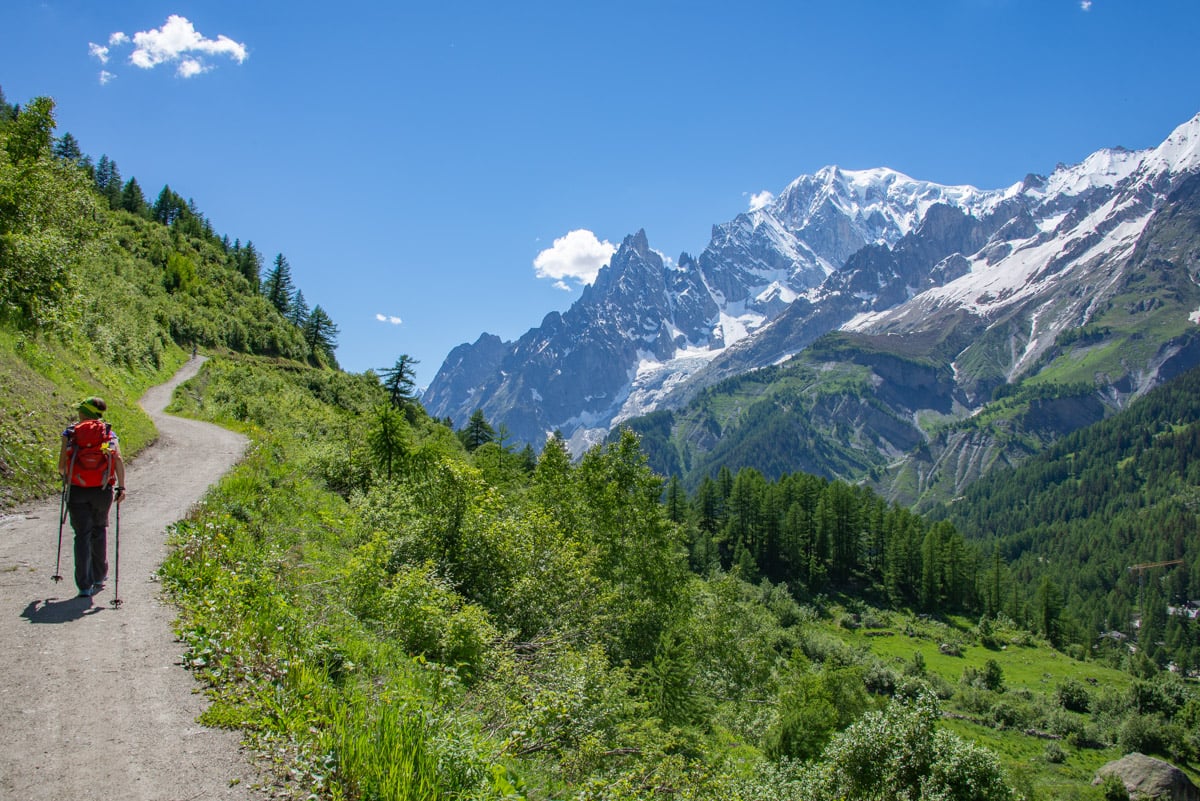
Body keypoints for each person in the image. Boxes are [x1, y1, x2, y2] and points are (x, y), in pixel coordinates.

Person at [58, 397, 127, 598]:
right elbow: (118, 460)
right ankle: (99, 575)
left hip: (77, 490)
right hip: (102, 490)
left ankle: (84, 585)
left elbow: (62, 466)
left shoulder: (71, 434)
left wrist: (71, 478)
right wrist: (121, 487)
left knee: (82, 534)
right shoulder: (108, 434)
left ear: (83, 412)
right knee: (99, 529)